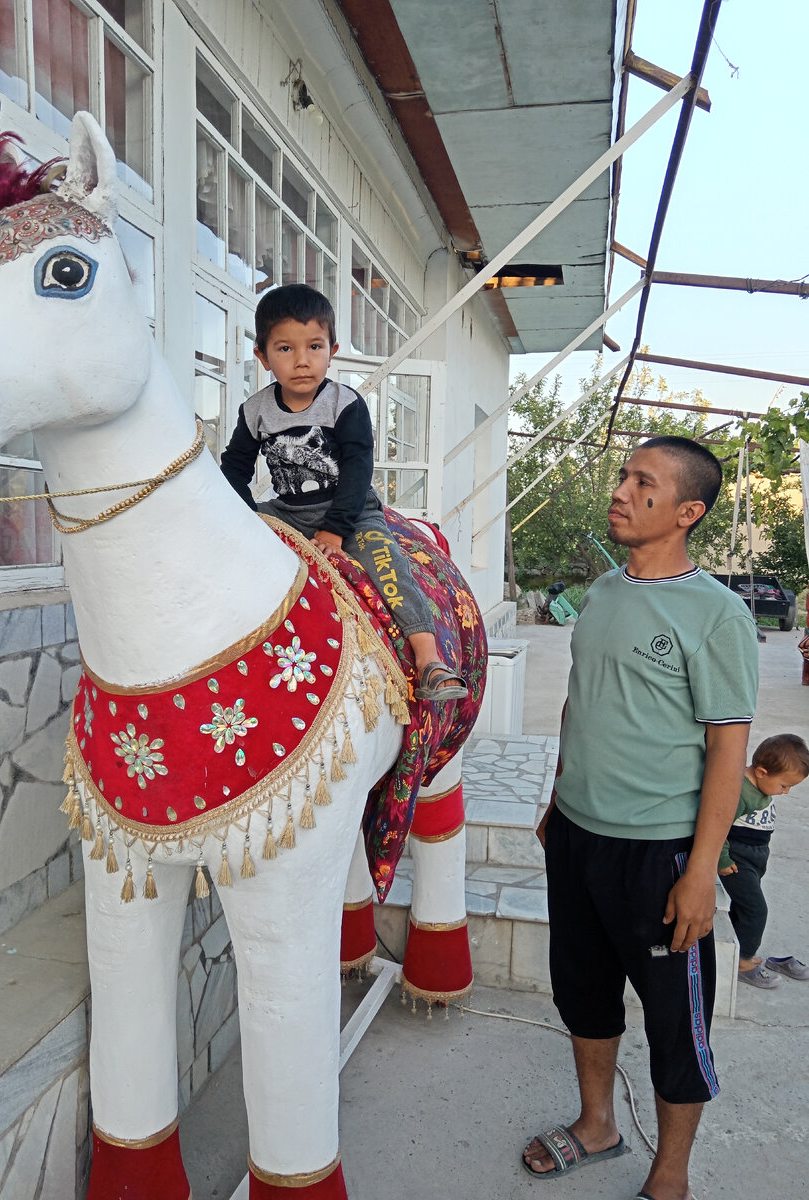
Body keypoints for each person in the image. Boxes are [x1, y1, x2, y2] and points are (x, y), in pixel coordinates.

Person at [522, 436, 759, 1200]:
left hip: (658, 855)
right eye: (624, 476)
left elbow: (729, 753)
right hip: (578, 838)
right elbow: (580, 699)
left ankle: (672, 1174)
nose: (622, 491)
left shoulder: (717, 615)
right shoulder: (602, 591)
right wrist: (560, 793)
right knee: (582, 992)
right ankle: (598, 1124)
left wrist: (700, 872)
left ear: (687, 511)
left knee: (673, 1024)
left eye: (643, 483)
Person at [220, 284, 466, 700]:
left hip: (350, 510)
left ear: (331, 350)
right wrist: (246, 517)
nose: (302, 361)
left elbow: (357, 468)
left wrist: (336, 529)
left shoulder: (344, 403)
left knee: (387, 565)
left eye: (314, 346)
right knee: (230, 554)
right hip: (287, 511)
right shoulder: (255, 411)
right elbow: (233, 467)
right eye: (285, 349)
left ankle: (429, 661)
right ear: (262, 356)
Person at [718, 733, 809, 988]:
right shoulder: (739, 792)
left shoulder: (759, 786)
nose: (786, 792)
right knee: (756, 910)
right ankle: (743, 963)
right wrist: (722, 858)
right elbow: (719, 825)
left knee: (743, 908)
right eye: (783, 785)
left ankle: (736, 951)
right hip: (737, 859)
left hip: (755, 856)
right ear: (761, 772)